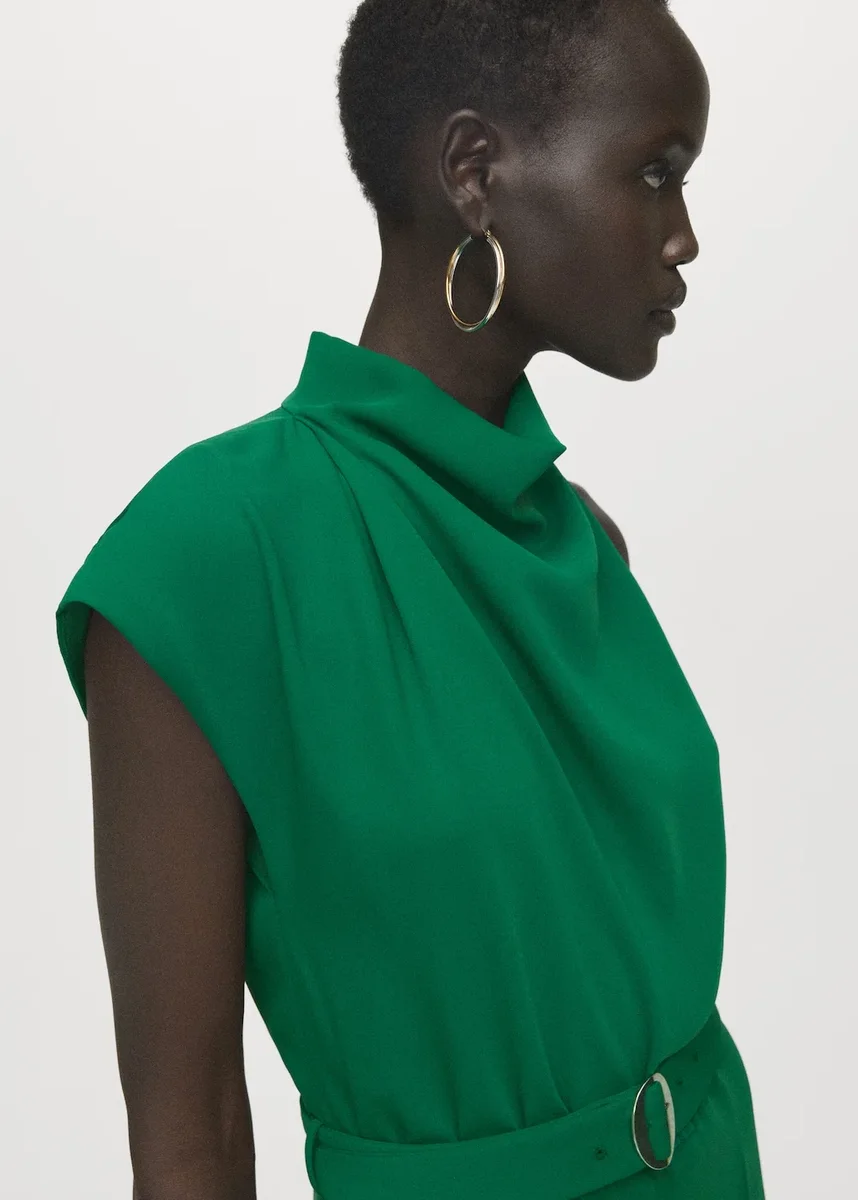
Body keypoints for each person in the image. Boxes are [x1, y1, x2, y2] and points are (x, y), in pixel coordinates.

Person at [55, 0, 767, 1197]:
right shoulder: (202, 563)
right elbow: (190, 1138)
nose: (685, 236)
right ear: (475, 174)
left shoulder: (576, 539)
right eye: (655, 172)